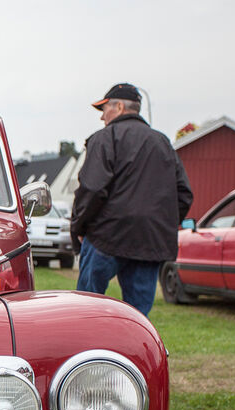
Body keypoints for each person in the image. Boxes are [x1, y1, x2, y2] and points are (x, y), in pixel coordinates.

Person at [71, 83, 194, 316]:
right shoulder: (163, 143)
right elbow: (184, 194)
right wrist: (160, 223)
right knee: (138, 318)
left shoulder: (104, 139)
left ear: (118, 107)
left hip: (105, 238)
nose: (102, 117)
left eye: (104, 109)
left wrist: (79, 227)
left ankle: (88, 340)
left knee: (87, 310)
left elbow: (92, 189)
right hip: (149, 241)